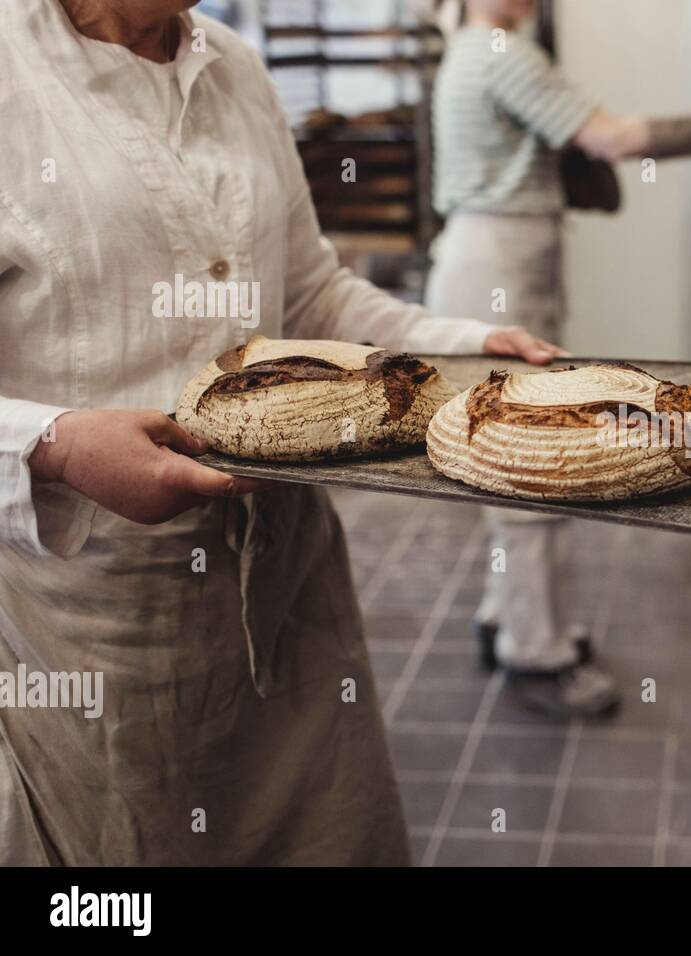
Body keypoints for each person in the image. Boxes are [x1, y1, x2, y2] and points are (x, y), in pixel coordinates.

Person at [0, 0, 563, 865]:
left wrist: (465, 340)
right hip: (104, 627)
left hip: (288, 579)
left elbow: (310, 299)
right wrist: (60, 443)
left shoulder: (232, 63)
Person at [428, 0, 652, 719]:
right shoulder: (501, 51)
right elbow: (612, 138)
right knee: (533, 463)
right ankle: (538, 653)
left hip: (492, 258)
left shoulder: (471, 43)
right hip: (498, 267)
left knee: (512, 452)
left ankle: (508, 618)